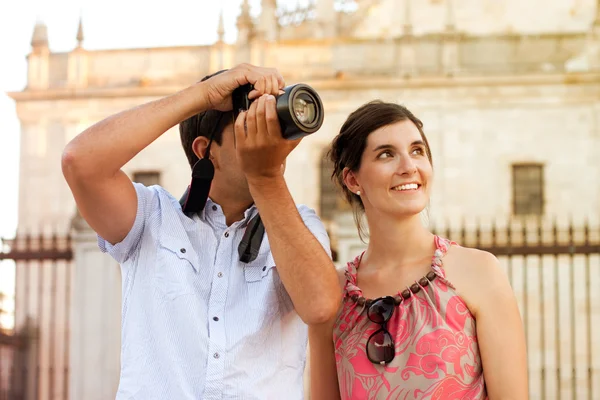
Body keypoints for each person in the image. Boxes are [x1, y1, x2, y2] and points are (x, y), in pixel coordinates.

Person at [61, 63, 341, 399]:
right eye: (249, 127)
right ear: (204, 150)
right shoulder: (152, 217)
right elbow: (80, 161)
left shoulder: (302, 225)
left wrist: (267, 179)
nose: (267, 138)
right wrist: (202, 95)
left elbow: (321, 306)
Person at [308, 100, 528, 399]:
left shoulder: (477, 272)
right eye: (387, 154)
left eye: (417, 151)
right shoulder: (332, 294)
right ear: (353, 179)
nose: (409, 167)